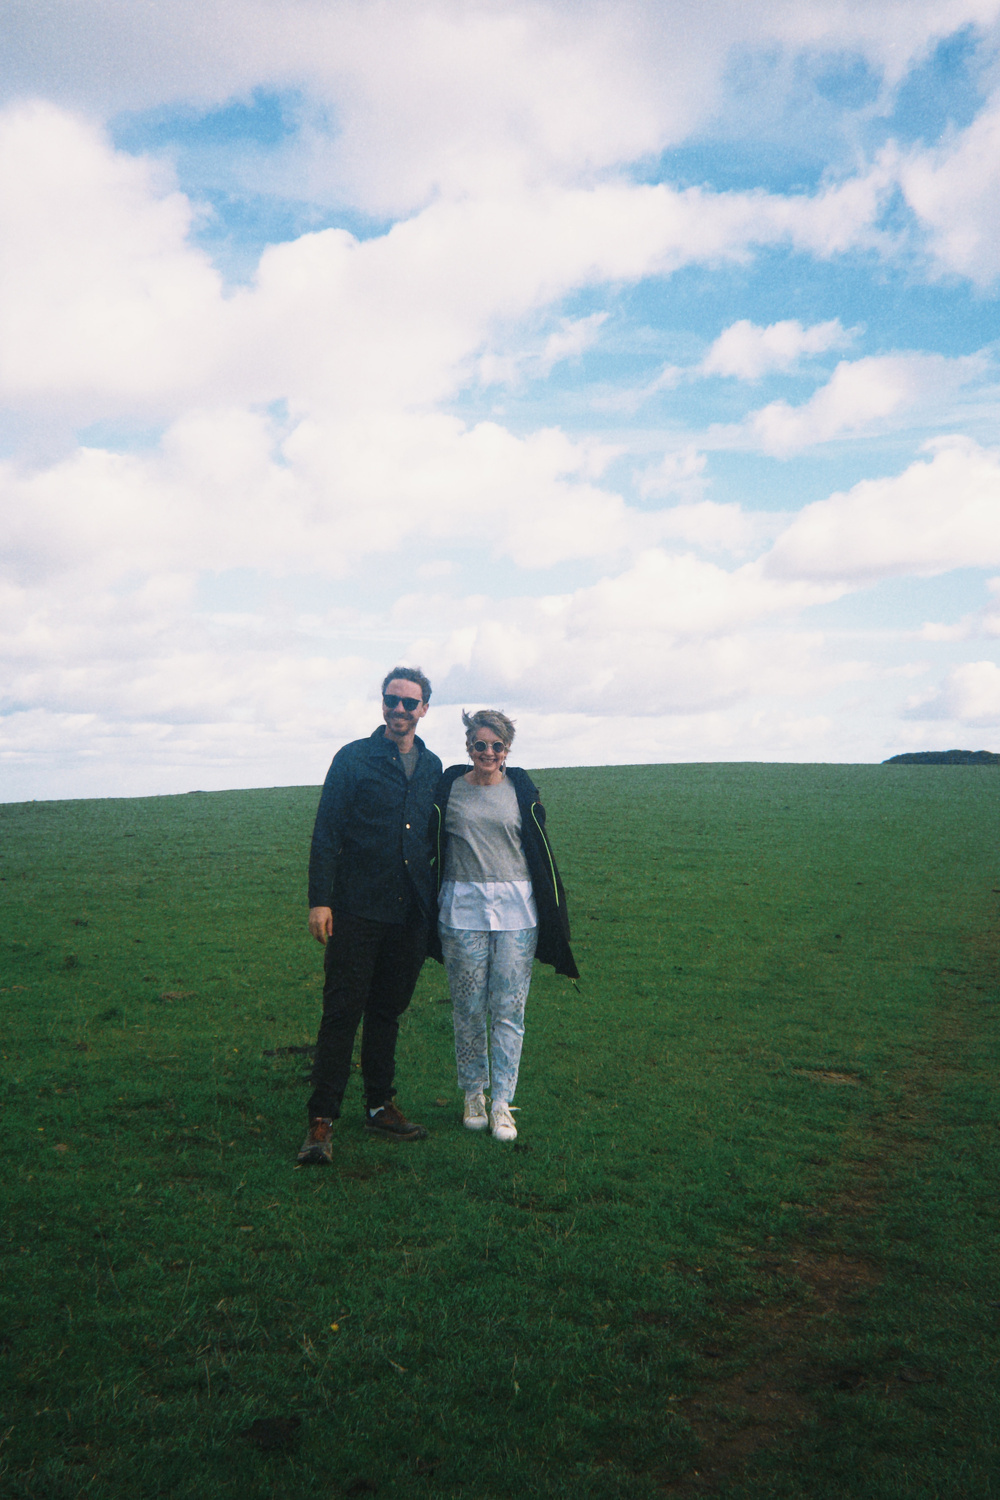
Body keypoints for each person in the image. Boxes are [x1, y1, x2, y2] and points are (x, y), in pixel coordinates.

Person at [298, 668, 443, 1164]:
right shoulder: (352, 758)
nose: (399, 710)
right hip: (355, 909)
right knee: (342, 1013)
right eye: (392, 701)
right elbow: (326, 832)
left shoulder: (432, 766)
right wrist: (320, 900)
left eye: (410, 703)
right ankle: (321, 1120)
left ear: (425, 708)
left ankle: (380, 1105)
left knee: (387, 1012)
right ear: (382, 704)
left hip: (408, 915)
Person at [430, 710, 578, 1142]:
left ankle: (502, 1103)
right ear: (468, 747)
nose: (488, 752)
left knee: (509, 1011)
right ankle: (473, 1093)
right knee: (469, 1007)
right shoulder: (449, 790)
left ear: (507, 749)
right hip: (462, 909)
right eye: (480, 744)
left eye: (497, 745)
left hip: (517, 911)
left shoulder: (521, 791)